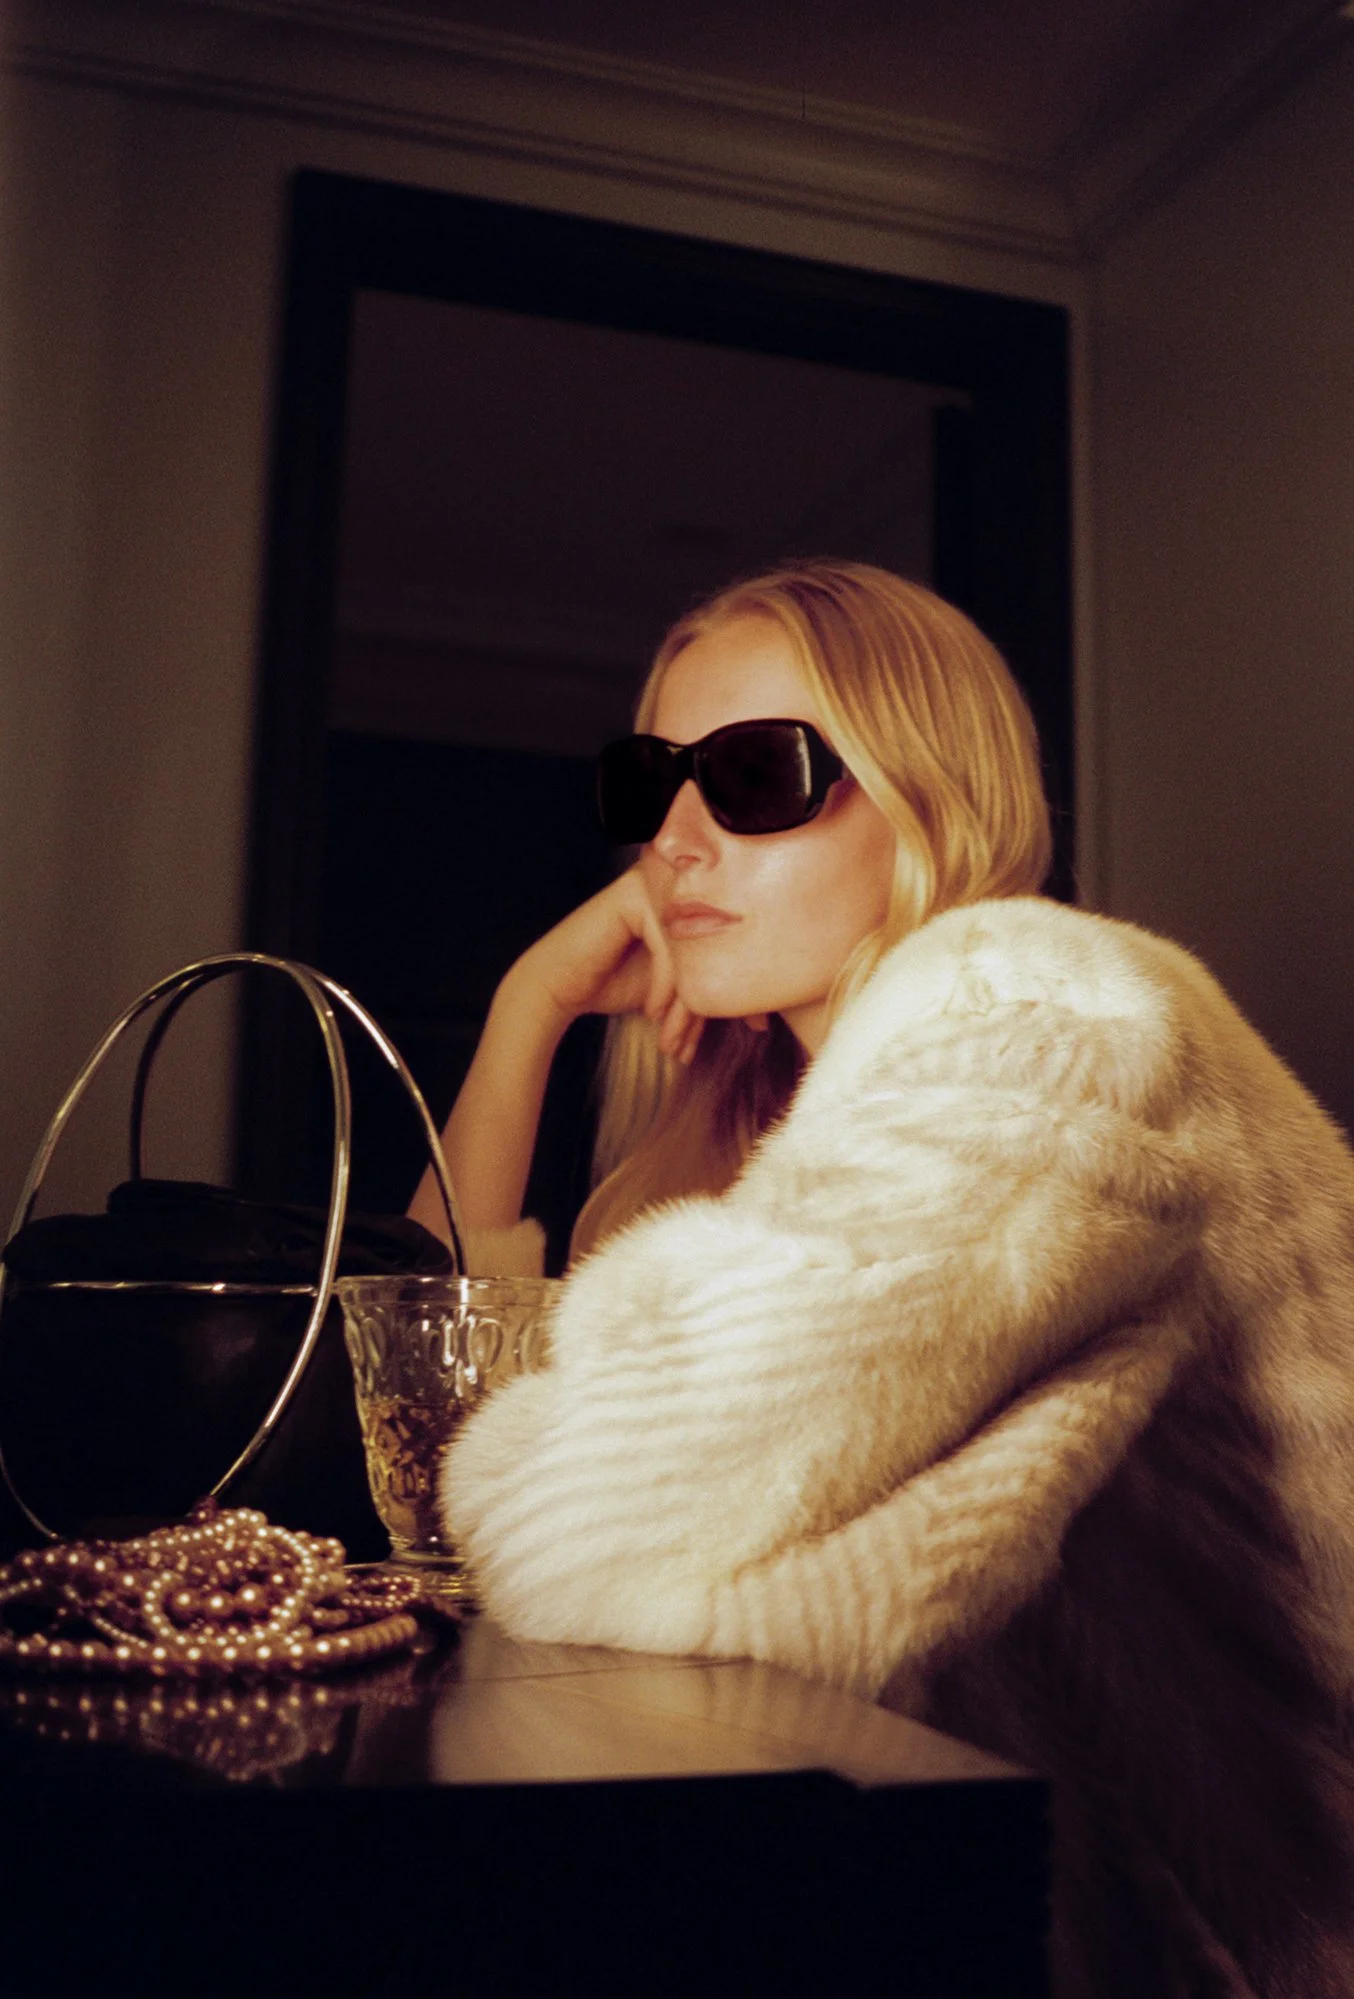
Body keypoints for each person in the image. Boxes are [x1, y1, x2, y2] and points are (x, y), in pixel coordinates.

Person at [412, 560, 1354, 1996]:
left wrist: (554, 1481)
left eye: (755, 775)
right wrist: (521, 1017)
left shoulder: (1035, 1002)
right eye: (649, 782)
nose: (673, 841)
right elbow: (420, 1409)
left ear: (930, 796)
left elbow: (583, 1531)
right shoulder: (781, 1117)